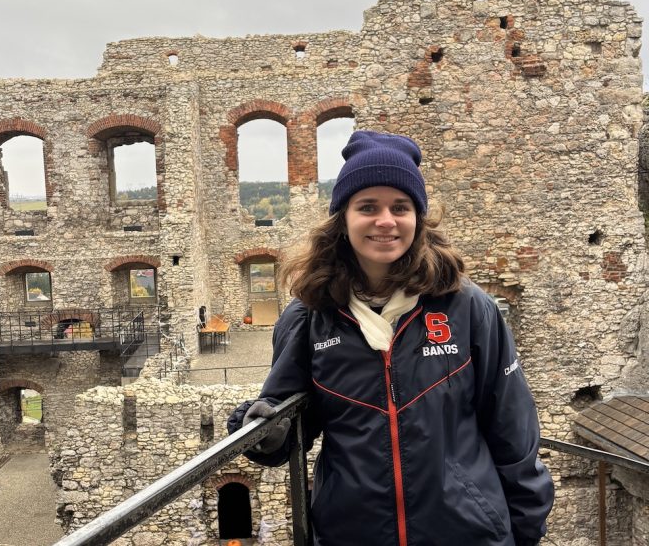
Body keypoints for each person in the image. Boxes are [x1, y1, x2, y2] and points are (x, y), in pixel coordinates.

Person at [227, 131, 554, 546]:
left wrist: (525, 530)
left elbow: (513, 430)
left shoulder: (467, 308)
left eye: (400, 207)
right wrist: (259, 426)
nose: (386, 221)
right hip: (355, 533)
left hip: (467, 532)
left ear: (417, 217)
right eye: (368, 207)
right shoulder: (311, 316)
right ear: (343, 219)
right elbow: (286, 426)